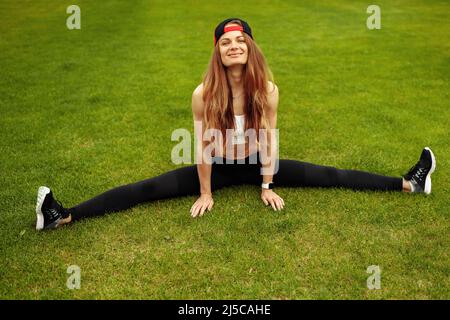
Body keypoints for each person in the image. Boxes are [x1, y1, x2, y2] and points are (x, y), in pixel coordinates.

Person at [35, 18, 436, 231]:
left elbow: (270, 138)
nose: (233, 46)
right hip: (222, 167)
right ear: (218, 52)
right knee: (150, 188)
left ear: (250, 47)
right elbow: (205, 147)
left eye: (240, 40)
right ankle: (62, 215)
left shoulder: (268, 89)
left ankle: (410, 183)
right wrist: (206, 191)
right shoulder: (203, 94)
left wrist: (266, 185)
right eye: (225, 43)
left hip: (260, 161)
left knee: (328, 174)